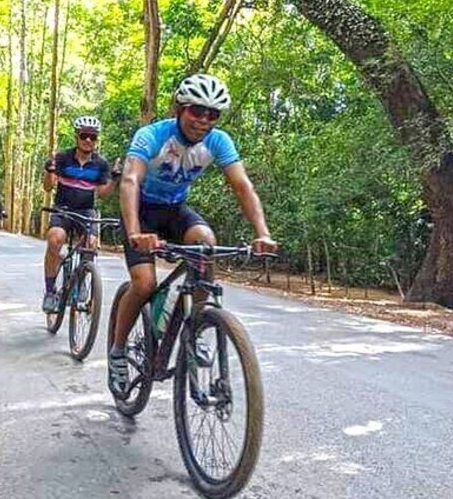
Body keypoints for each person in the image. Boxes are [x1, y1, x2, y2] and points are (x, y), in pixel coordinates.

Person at [108, 74, 278, 395]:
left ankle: (197, 327)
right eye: (196, 111)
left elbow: (242, 186)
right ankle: (118, 350)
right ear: (180, 108)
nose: (203, 120)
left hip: (175, 209)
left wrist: (262, 233)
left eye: (212, 114)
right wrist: (134, 233)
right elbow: (130, 181)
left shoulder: (218, 141)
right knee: (144, 283)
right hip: (141, 212)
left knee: (206, 244)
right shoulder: (152, 135)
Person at [42, 116, 121, 312]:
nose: (88, 140)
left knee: (91, 244)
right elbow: (48, 187)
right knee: (55, 240)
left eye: (92, 137)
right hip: (62, 208)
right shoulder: (62, 158)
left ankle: (81, 279)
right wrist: (49, 170)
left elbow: (102, 194)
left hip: (86, 211)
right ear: (77, 136)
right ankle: (51, 292)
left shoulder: (101, 164)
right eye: (84, 135)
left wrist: (114, 180)